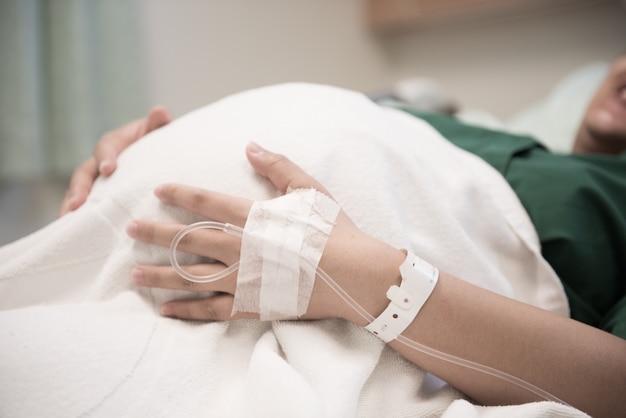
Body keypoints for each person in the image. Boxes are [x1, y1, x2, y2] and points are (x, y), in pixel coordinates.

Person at [52, 60, 626, 416]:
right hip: (127, 234)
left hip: (283, 294)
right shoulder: (477, 123)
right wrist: (134, 159)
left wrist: (368, 282)